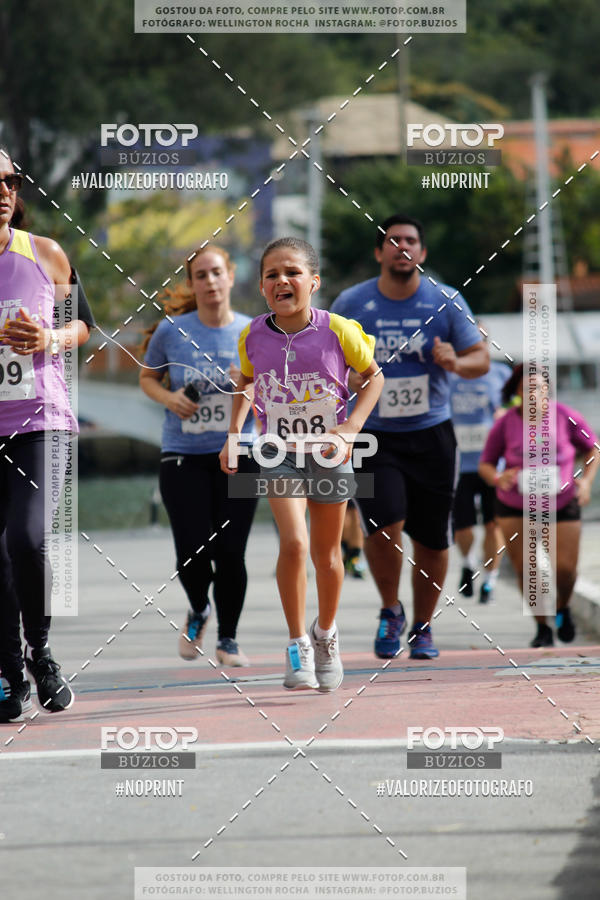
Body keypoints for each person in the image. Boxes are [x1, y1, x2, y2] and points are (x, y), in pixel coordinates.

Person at [220, 237, 382, 691]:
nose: (281, 281)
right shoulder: (252, 334)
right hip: (277, 452)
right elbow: (247, 382)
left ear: (313, 282)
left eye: (291, 272)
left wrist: (351, 430)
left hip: (329, 452)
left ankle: (326, 633)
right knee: (293, 543)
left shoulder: (339, 331)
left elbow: (374, 379)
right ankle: (297, 644)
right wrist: (235, 436)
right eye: (271, 274)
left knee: (327, 555)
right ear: (262, 286)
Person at [330, 214, 489, 660]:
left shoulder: (446, 300)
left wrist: (456, 361)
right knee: (384, 525)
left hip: (432, 433)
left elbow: (482, 358)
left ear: (422, 253)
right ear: (379, 252)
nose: (402, 247)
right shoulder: (352, 302)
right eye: (393, 240)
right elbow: (325, 361)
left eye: (411, 241)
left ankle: (422, 626)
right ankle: (390, 610)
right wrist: (346, 383)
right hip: (374, 434)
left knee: (433, 538)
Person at [0, 151, 94, 723]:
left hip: (40, 421)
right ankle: (9, 671)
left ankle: (40, 651)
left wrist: (50, 339)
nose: (2, 191)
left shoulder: (45, 253)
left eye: (8, 181)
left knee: (28, 540)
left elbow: (84, 323)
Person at [141, 245, 258, 667]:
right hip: (183, 455)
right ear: (191, 284)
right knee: (192, 548)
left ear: (231, 276)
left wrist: (246, 384)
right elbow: (147, 378)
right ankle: (198, 608)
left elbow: (274, 390)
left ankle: (228, 638)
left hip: (239, 454)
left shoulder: (252, 331)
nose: (209, 282)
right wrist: (171, 398)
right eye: (200, 276)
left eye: (216, 273)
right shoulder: (172, 331)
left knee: (231, 551)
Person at [479, 363, 599, 647]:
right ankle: (542, 627)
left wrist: (586, 481)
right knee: (526, 567)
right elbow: (485, 465)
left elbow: (592, 449)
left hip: (561, 501)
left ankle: (562, 607)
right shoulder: (505, 422)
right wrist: (498, 478)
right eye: (526, 389)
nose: (533, 395)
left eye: (539, 389)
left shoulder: (566, 416)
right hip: (515, 505)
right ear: (517, 393)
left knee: (565, 569)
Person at [448, 354, 512, 603]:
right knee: (463, 526)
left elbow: (516, 403)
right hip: (459, 464)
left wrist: (505, 412)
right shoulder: (450, 372)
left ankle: (490, 579)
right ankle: (467, 563)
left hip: (494, 465)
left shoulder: (500, 373)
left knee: (493, 525)